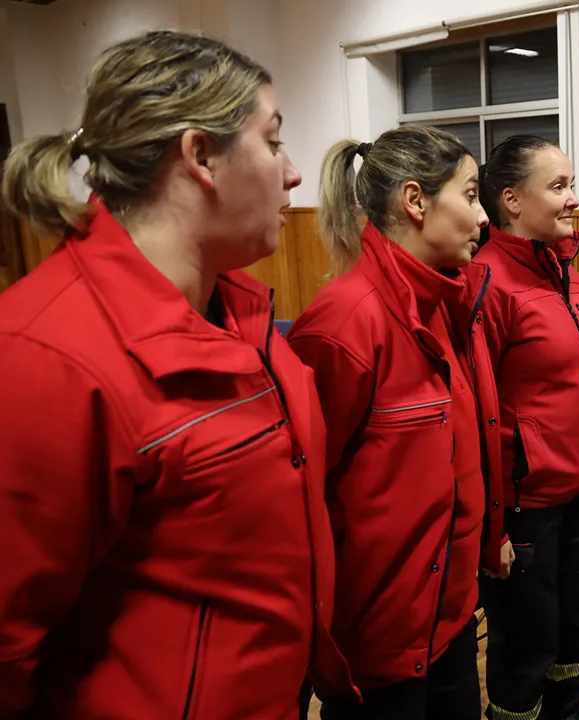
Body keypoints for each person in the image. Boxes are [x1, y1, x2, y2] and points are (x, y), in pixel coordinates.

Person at [0, 30, 354, 717]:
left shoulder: (239, 313)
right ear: (200, 157)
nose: (293, 174)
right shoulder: (44, 355)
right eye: (274, 142)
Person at [288, 126, 512, 719]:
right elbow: (301, 500)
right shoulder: (343, 326)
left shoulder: (448, 303)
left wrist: (489, 539)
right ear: (416, 201)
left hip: (450, 617)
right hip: (381, 643)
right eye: (469, 196)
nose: (484, 217)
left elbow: (464, 457)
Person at [472, 135, 579, 720]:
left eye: (572, 185)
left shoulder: (569, 275)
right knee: (527, 639)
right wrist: (492, 522)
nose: (574, 199)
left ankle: (569, 709)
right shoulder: (486, 282)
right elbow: (478, 414)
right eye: (558, 187)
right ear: (510, 200)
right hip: (524, 503)